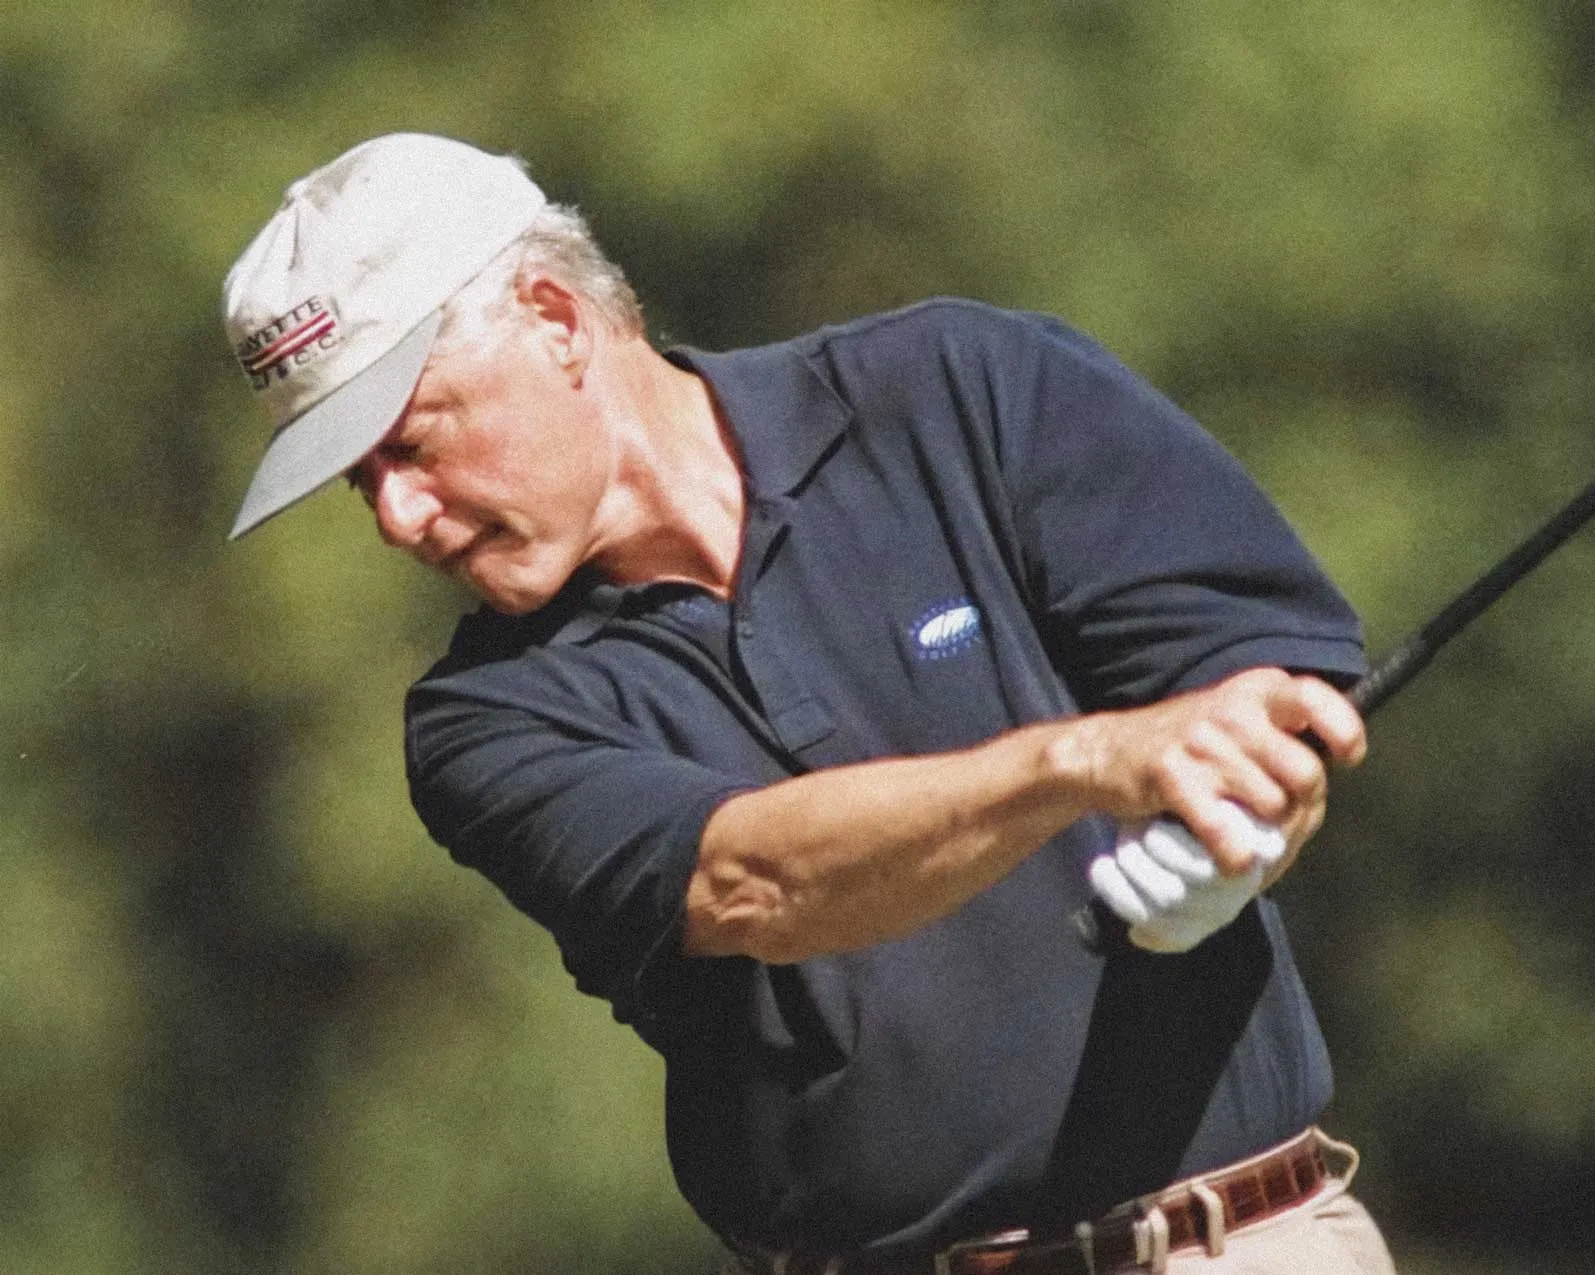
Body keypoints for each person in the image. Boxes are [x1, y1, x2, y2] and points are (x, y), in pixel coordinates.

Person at [224, 133, 1397, 1275]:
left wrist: (1241, 832)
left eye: (412, 445)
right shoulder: (483, 720)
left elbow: (1263, 695)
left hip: (1237, 1245)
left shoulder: (963, 388)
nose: (396, 518)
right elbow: (749, 881)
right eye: (359, 484)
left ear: (555, 320)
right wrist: (1080, 766)